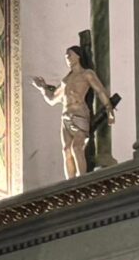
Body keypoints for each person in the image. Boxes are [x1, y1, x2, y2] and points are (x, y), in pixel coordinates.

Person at [32, 43, 119, 177]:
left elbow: (100, 91)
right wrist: (43, 88)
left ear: (78, 56)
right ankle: (70, 182)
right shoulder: (65, 80)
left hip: (79, 115)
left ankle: (81, 180)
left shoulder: (86, 74)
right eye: (65, 56)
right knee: (66, 150)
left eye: (69, 54)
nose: (67, 57)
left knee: (76, 147)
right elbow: (52, 99)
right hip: (65, 117)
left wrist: (109, 108)